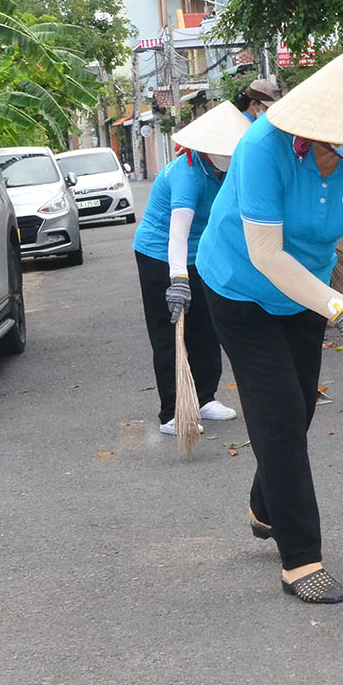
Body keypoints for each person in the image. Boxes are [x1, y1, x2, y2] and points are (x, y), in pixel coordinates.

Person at [194, 45, 343, 605]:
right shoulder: (263, 148)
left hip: (309, 290)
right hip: (239, 285)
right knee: (278, 413)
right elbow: (265, 253)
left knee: (300, 403)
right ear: (321, 127)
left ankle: (265, 504)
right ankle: (301, 558)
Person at [131, 101, 249, 435]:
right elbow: (177, 232)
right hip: (159, 253)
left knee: (207, 325)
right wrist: (178, 279)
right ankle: (172, 411)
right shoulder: (188, 173)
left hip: (203, 253)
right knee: (170, 331)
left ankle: (205, 396)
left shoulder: (228, 171)